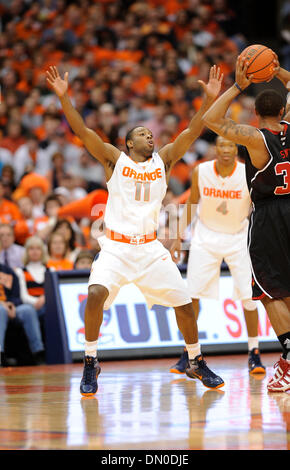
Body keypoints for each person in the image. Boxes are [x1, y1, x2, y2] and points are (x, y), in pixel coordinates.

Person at [46, 64, 225, 396]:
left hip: (149, 248)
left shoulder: (165, 160)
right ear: (128, 143)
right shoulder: (116, 161)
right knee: (96, 294)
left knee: (185, 305)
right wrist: (64, 97)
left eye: (151, 134)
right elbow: (83, 131)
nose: (150, 137)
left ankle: (196, 360)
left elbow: (193, 131)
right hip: (115, 247)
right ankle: (90, 360)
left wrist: (209, 99)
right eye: (143, 134)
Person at [202, 54, 290, 392]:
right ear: (283, 111)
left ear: (256, 113)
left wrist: (240, 84)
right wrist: (276, 70)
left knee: (268, 292)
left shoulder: (256, 138)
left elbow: (211, 119)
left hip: (269, 216)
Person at [170, 135, 265, 375]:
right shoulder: (201, 171)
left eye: (230, 145)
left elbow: (259, 207)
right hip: (205, 236)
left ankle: (254, 352)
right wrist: (177, 237)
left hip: (238, 237)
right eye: (222, 145)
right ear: (216, 148)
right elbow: (191, 204)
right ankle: (189, 352)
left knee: (248, 296)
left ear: (236, 149)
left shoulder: (248, 172)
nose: (225, 149)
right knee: (192, 295)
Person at [0, 261, 45, 366]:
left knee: (28, 310)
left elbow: (16, 295)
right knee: (0, 311)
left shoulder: (7, 271)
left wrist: (11, 305)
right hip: (1, 308)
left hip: (11, 306)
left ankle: (38, 353)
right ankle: (0, 355)